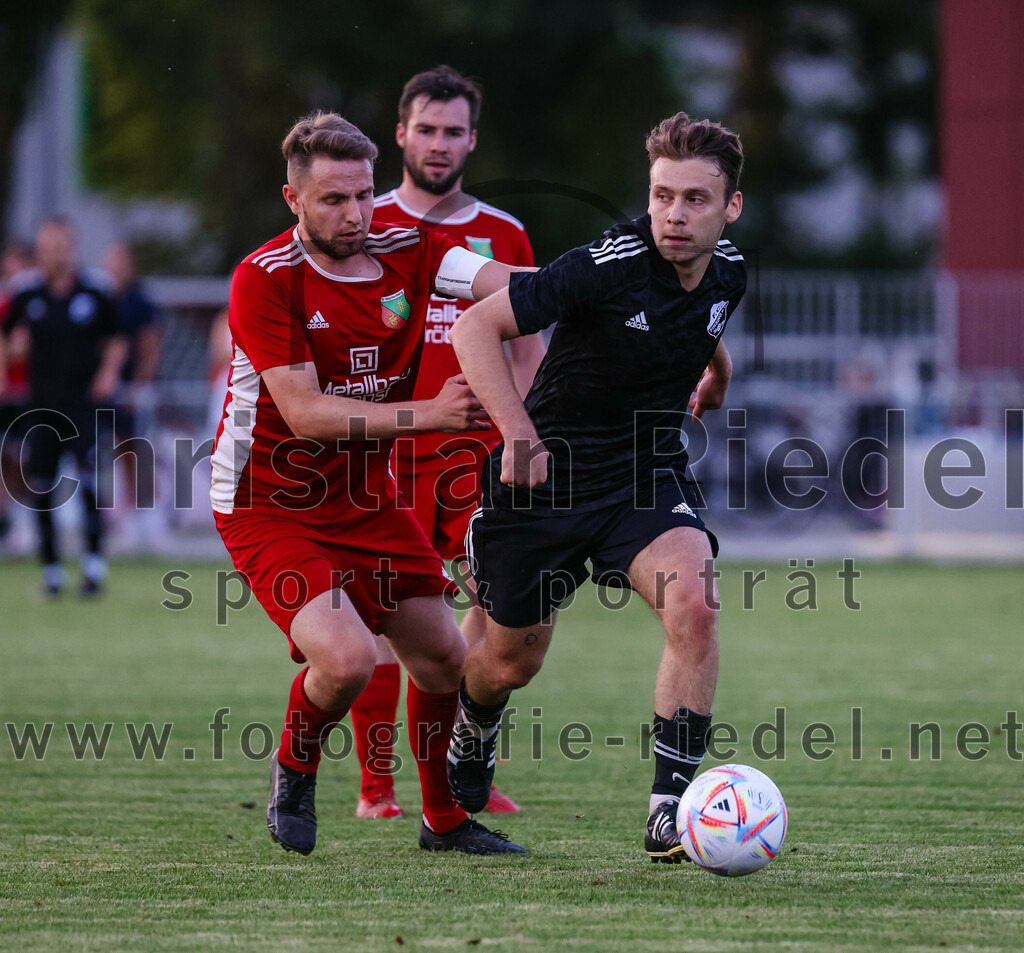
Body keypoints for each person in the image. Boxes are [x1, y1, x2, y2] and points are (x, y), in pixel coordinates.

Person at [210, 110, 531, 856]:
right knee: (348, 660)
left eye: (361, 195)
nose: (354, 214)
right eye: (332, 199)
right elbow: (308, 415)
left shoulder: (407, 249)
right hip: (270, 504)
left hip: (363, 498)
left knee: (446, 658)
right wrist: (430, 414)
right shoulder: (265, 279)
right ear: (293, 201)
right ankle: (294, 762)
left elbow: (505, 284)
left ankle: (445, 823)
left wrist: (610, 293)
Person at [444, 111, 746, 862]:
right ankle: (475, 722)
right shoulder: (604, 265)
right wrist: (517, 432)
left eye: (695, 199)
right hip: (545, 482)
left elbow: (700, 323)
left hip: (643, 471)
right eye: (662, 195)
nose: (674, 215)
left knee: (695, 603)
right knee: (511, 661)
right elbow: (473, 330)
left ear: (730, 206)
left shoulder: (731, 268)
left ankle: (670, 808)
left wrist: (716, 373)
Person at [348, 65, 545, 819]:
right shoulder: (364, 224)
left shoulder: (503, 233)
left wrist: (523, 426)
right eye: (425, 129)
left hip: (475, 460)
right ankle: (376, 788)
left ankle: (466, 772)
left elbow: (528, 343)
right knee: (374, 620)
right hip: (384, 458)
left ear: (472, 138)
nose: (438, 144)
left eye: (452, 131)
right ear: (399, 133)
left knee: (500, 620)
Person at [1, 218, 126, 596]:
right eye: (47, 246)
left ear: (71, 247)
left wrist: (108, 372)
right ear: (40, 251)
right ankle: (52, 570)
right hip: (41, 408)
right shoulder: (27, 294)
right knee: (42, 488)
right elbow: (7, 336)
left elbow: (116, 339)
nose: (54, 252)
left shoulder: (94, 291)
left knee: (87, 482)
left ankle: (93, 565)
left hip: (84, 406)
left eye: (60, 245)